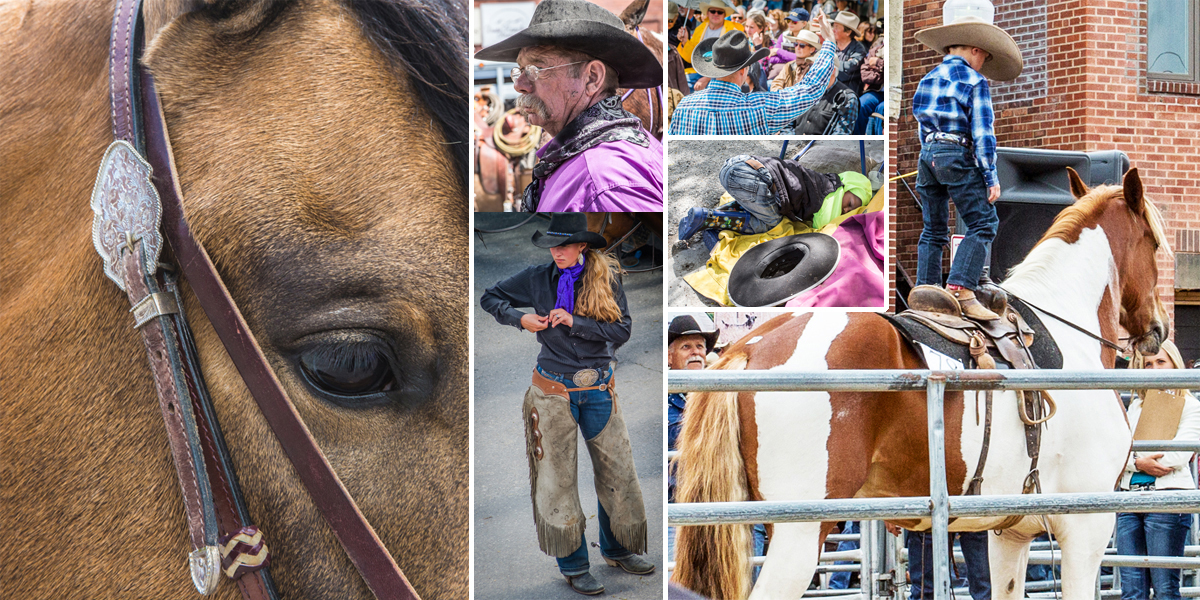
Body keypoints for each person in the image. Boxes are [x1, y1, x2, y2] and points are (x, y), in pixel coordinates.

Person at [480, 213, 654, 596]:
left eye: (564, 245)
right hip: (552, 390)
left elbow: (622, 330)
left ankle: (618, 548)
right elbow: (490, 297)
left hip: (598, 387)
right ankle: (574, 566)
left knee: (617, 472)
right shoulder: (536, 277)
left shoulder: (606, 278)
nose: (557, 252)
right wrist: (519, 318)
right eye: (552, 246)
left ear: (581, 247)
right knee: (558, 480)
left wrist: (574, 321)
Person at [474, 0, 663, 213]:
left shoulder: (604, 182)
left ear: (592, 78)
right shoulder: (592, 160)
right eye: (520, 70)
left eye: (537, 68)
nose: (519, 85)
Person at [906, 12, 1023, 320]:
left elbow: (921, 126)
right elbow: (983, 133)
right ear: (974, 49)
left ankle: (925, 290)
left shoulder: (928, 78)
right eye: (983, 55)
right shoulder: (974, 81)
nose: (983, 62)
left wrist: (931, 155)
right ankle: (960, 287)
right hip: (956, 152)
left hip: (927, 154)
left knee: (933, 229)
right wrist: (990, 175)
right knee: (984, 222)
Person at [1117, 340, 1200, 600]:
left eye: (1161, 361)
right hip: (1130, 500)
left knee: (1165, 588)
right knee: (1132, 590)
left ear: (1174, 364)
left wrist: (1134, 459)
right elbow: (1118, 450)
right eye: (1148, 364)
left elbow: (1178, 455)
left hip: (1167, 500)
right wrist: (1138, 463)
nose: (1154, 368)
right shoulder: (1136, 406)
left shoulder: (1191, 406)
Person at [669, 15, 838, 136]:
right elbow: (810, 89)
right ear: (744, 71)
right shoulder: (759, 107)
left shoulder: (685, 105)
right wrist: (829, 42)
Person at [676, 154, 872, 240]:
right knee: (772, 224)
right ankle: (711, 218)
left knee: (761, 207)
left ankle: (704, 215)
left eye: (850, 212)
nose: (846, 210)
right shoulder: (829, 194)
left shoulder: (822, 180)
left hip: (739, 166)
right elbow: (824, 226)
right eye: (850, 203)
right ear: (847, 187)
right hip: (751, 178)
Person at [677, 0, 745, 89]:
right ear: (707, 13)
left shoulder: (734, 30)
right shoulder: (699, 29)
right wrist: (685, 41)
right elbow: (691, 58)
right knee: (681, 82)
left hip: (723, 73)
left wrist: (707, 78)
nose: (716, 14)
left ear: (724, 15)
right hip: (699, 72)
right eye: (713, 11)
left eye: (720, 12)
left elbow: (731, 61)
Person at [762, 8, 809, 80]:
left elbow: (805, 61)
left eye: (794, 22)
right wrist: (792, 58)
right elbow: (772, 59)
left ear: (804, 23)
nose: (790, 23)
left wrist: (779, 51)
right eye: (789, 20)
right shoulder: (784, 35)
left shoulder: (809, 39)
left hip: (800, 76)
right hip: (779, 75)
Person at [830, 11, 866, 99]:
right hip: (829, 91)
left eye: (837, 27)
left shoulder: (859, 49)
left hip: (847, 95)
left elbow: (849, 69)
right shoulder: (831, 45)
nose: (833, 30)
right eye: (833, 26)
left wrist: (830, 63)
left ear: (848, 32)